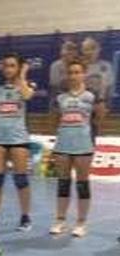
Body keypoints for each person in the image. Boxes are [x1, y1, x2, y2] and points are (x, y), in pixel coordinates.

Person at [0, 53, 35, 232]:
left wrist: (23, 76)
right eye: (5, 65)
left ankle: (25, 216)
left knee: (21, 180)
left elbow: (27, 96)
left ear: (19, 67)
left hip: (19, 138)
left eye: (12, 65)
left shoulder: (27, 85)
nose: (8, 69)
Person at [50, 59, 96, 238]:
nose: (73, 75)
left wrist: (88, 135)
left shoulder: (91, 96)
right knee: (63, 183)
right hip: (63, 146)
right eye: (70, 72)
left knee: (82, 184)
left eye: (77, 72)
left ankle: (81, 222)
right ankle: (60, 220)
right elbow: (54, 120)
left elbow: (99, 118)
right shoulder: (61, 98)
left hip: (83, 146)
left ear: (84, 74)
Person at [80, 37, 112, 139]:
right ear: (82, 50)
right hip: (79, 104)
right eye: (86, 49)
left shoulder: (106, 66)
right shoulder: (78, 66)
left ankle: (89, 152)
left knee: (93, 132)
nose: (90, 52)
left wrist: (106, 105)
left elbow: (108, 87)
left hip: (98, 103)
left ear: (99, 49)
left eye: (93, 48)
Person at [49, 40, 78, 108]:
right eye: (67, 49)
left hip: (76, 100)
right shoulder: (55, 66)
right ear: (61, 51)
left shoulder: (78, 65)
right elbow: (56, 85)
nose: (70, 52)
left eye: (73, 50)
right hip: (58, 100)